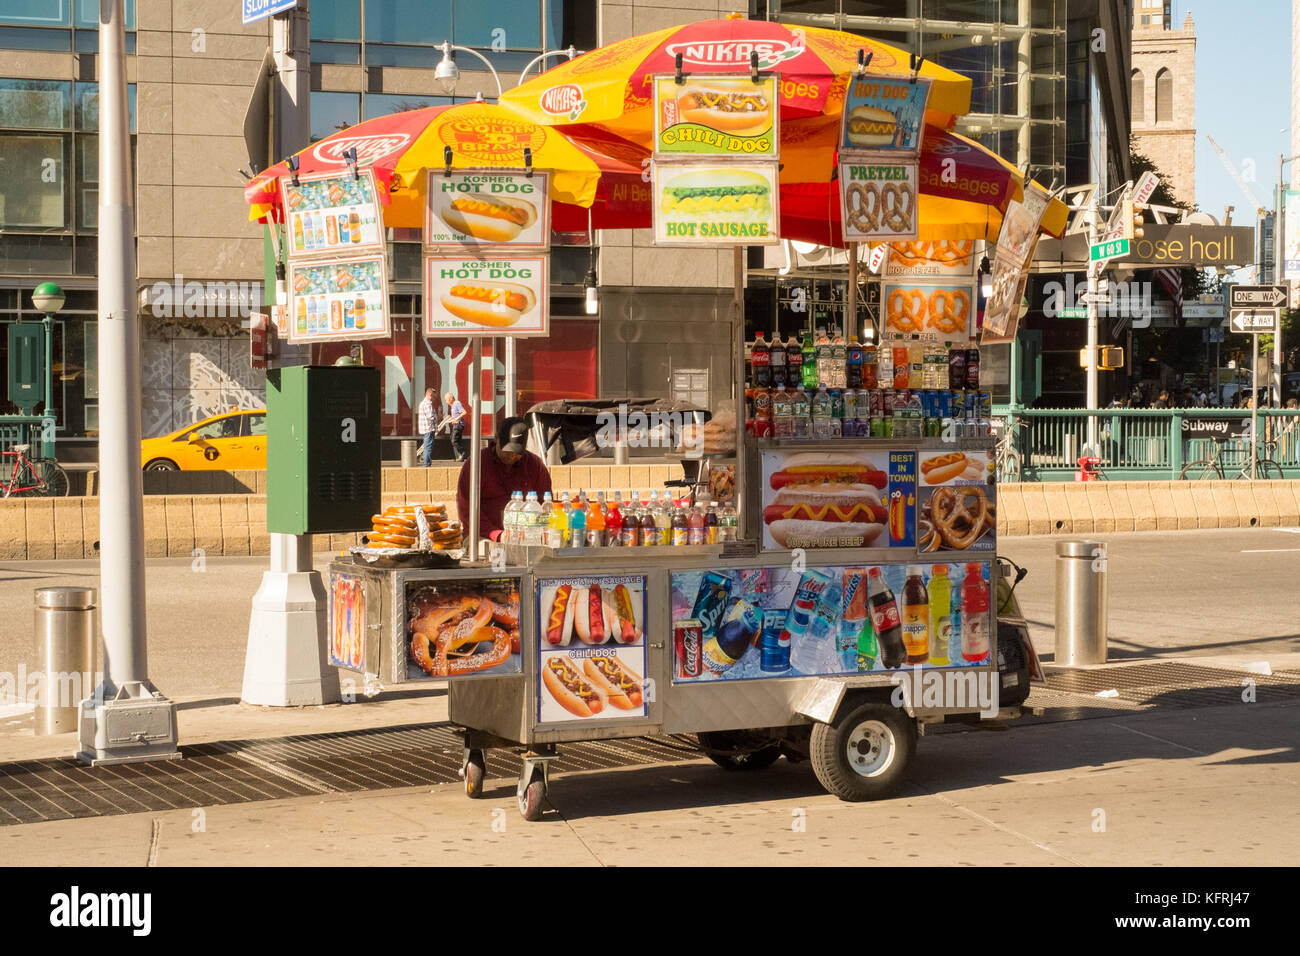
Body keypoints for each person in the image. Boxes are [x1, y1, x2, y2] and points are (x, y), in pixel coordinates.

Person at [457, 417, 552, 543]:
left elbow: (546, 504)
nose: (511, 456)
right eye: (507, 450)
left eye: (517, 452)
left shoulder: (535, 465)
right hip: (482, 535)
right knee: (485, 549)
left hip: (526, 537)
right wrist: (497, 534)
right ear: (496, 439)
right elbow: (467, 508)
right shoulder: (476, 463)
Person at [442, 391, 467, 462]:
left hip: (458, 425)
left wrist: (456, 419)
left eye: (446, 400)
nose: (446, 402)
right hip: (455, 424)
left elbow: (464, 412)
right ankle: (458, 457)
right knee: (455, 440)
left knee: (454, 440)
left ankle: (462, 453)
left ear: (450, 398)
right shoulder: (453, 405)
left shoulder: (457, 403)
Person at [417, 388, 437, 467]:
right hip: (429, 428)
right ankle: (427, 464)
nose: (434, 399)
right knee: (428, 447)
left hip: (426, 428)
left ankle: (427, 463)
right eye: (433, 397)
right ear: (429, 395)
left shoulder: (423, 403)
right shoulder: (427, 404)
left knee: (427, 446)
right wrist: (437, 416)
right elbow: (430, 416)